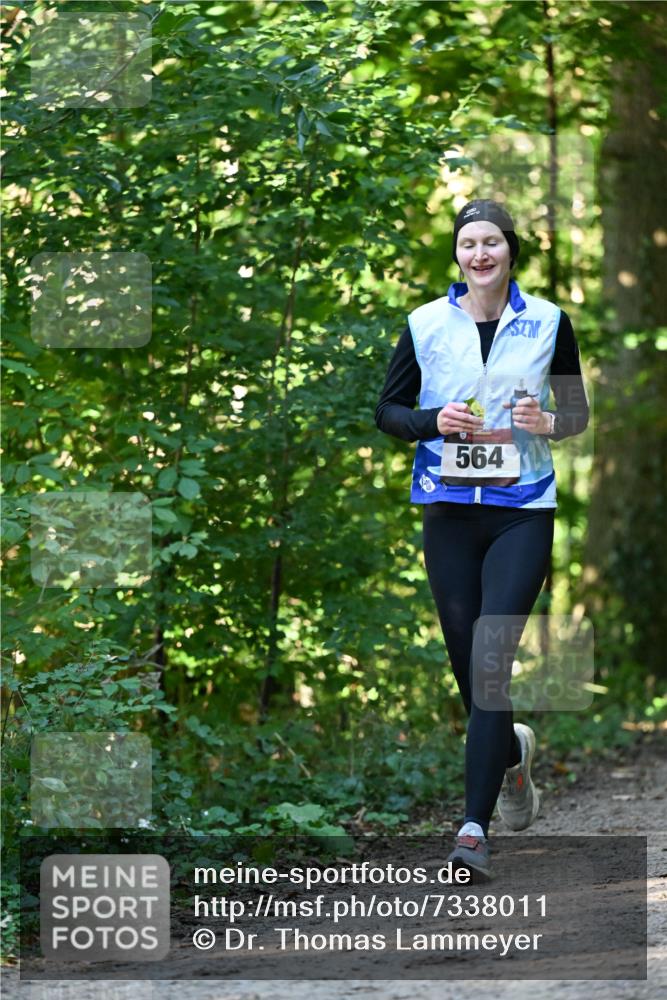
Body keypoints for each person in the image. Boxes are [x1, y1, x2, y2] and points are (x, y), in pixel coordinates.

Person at [374, 198, 589, 881]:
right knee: (469, 665)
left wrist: (547, 422)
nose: (480, 253)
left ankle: (472, 830)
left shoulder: (549, 321)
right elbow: (387, 412)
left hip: (521, 508)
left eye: (491, 241)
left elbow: (576, 412)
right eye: (468, 243)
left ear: (510, 251)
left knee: (492, 661)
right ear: (457, 255)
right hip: (448, 511)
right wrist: (431, 422)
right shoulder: (425, 323)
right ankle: (510, 756)